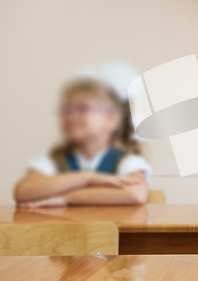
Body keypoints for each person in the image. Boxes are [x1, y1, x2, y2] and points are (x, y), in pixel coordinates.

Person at [14, 79, 152, 207]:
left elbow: (135, 193)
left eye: (82, 108)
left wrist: (68, 198)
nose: (71, 115)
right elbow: (23, 192)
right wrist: (88, 178)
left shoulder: (126, 160)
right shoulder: (53, 159)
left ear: (112, 119)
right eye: (66, 110)